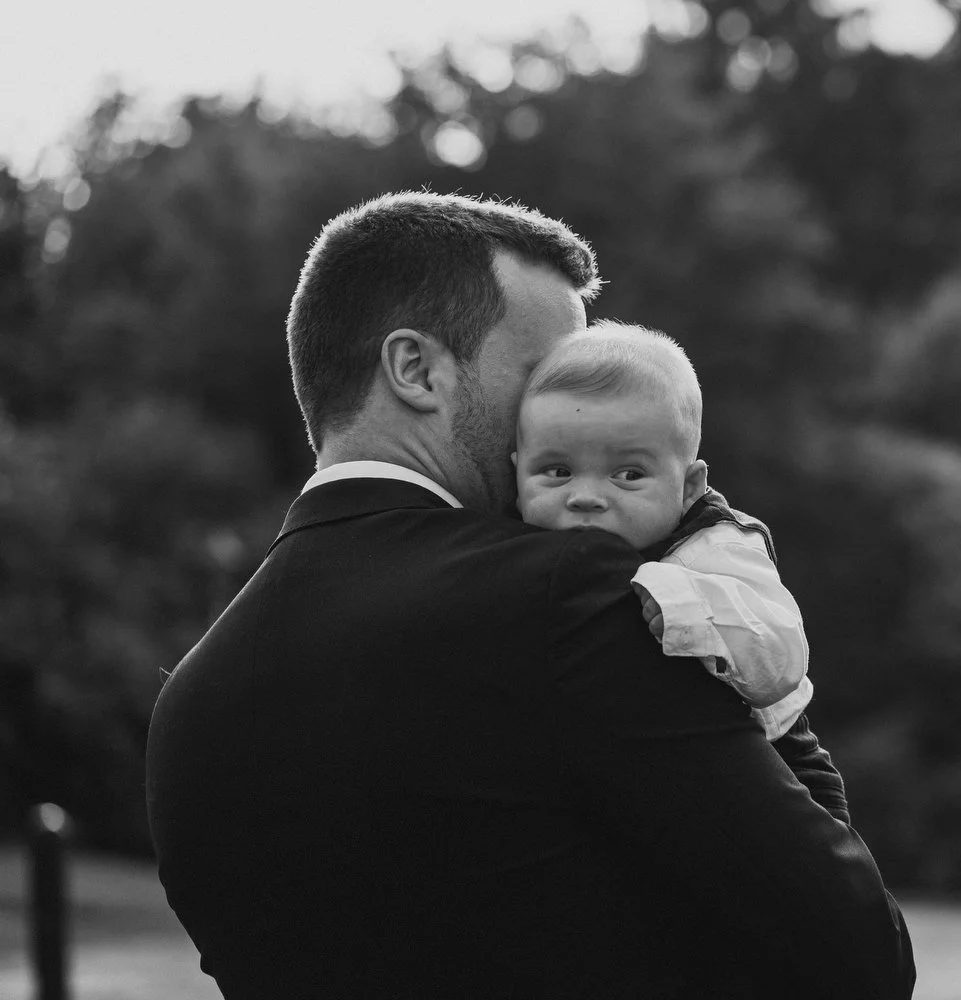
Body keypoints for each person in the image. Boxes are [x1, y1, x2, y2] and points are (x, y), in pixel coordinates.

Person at [145, 191, 915, 1000]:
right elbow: (856, 953)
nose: (571, 410)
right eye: (545, 372)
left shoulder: (188, 708)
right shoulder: (565, 594)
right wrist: (758, 653)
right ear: (416, 370)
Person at [513, 320, 846, 818]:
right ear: (516, 472)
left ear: (689, 487)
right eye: (557, 471)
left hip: (782, 768)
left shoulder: (713, 544)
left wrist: (681, 602)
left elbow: (781, 656)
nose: (585, 497)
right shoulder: (522, 540)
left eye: (628, 475)